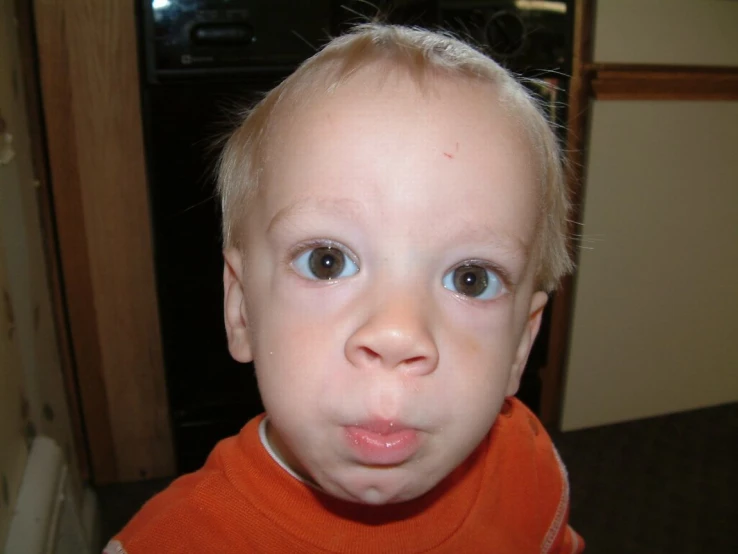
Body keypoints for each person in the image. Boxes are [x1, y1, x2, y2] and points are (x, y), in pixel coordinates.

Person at [106, 23, 583, 553]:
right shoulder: (174, 543)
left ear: (521, 345)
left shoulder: (529, 463)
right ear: (241, 308)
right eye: (327, 262)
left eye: (471, 279)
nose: (398, 334)